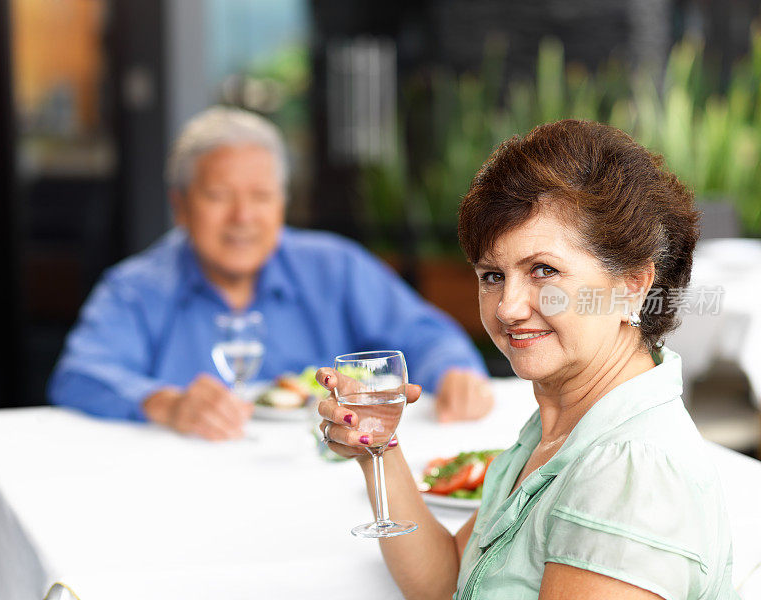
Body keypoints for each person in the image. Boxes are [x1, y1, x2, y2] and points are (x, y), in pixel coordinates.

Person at [316, 120, 738, 599]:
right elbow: (448, 579)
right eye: (492, 275)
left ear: (632, 287)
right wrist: (378, 451)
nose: (508, 307)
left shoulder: (630, 470)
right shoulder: (560, 427)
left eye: (544, 270)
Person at [48, 106, 493, 441]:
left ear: (282, 203)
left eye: (261, 196)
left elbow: (427, 335)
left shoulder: (335, 267)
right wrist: (165, 403)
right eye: (219, 195)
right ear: (180, 205)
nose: (243, 217)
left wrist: (453, 372)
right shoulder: (135, 288)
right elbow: (80, 375)